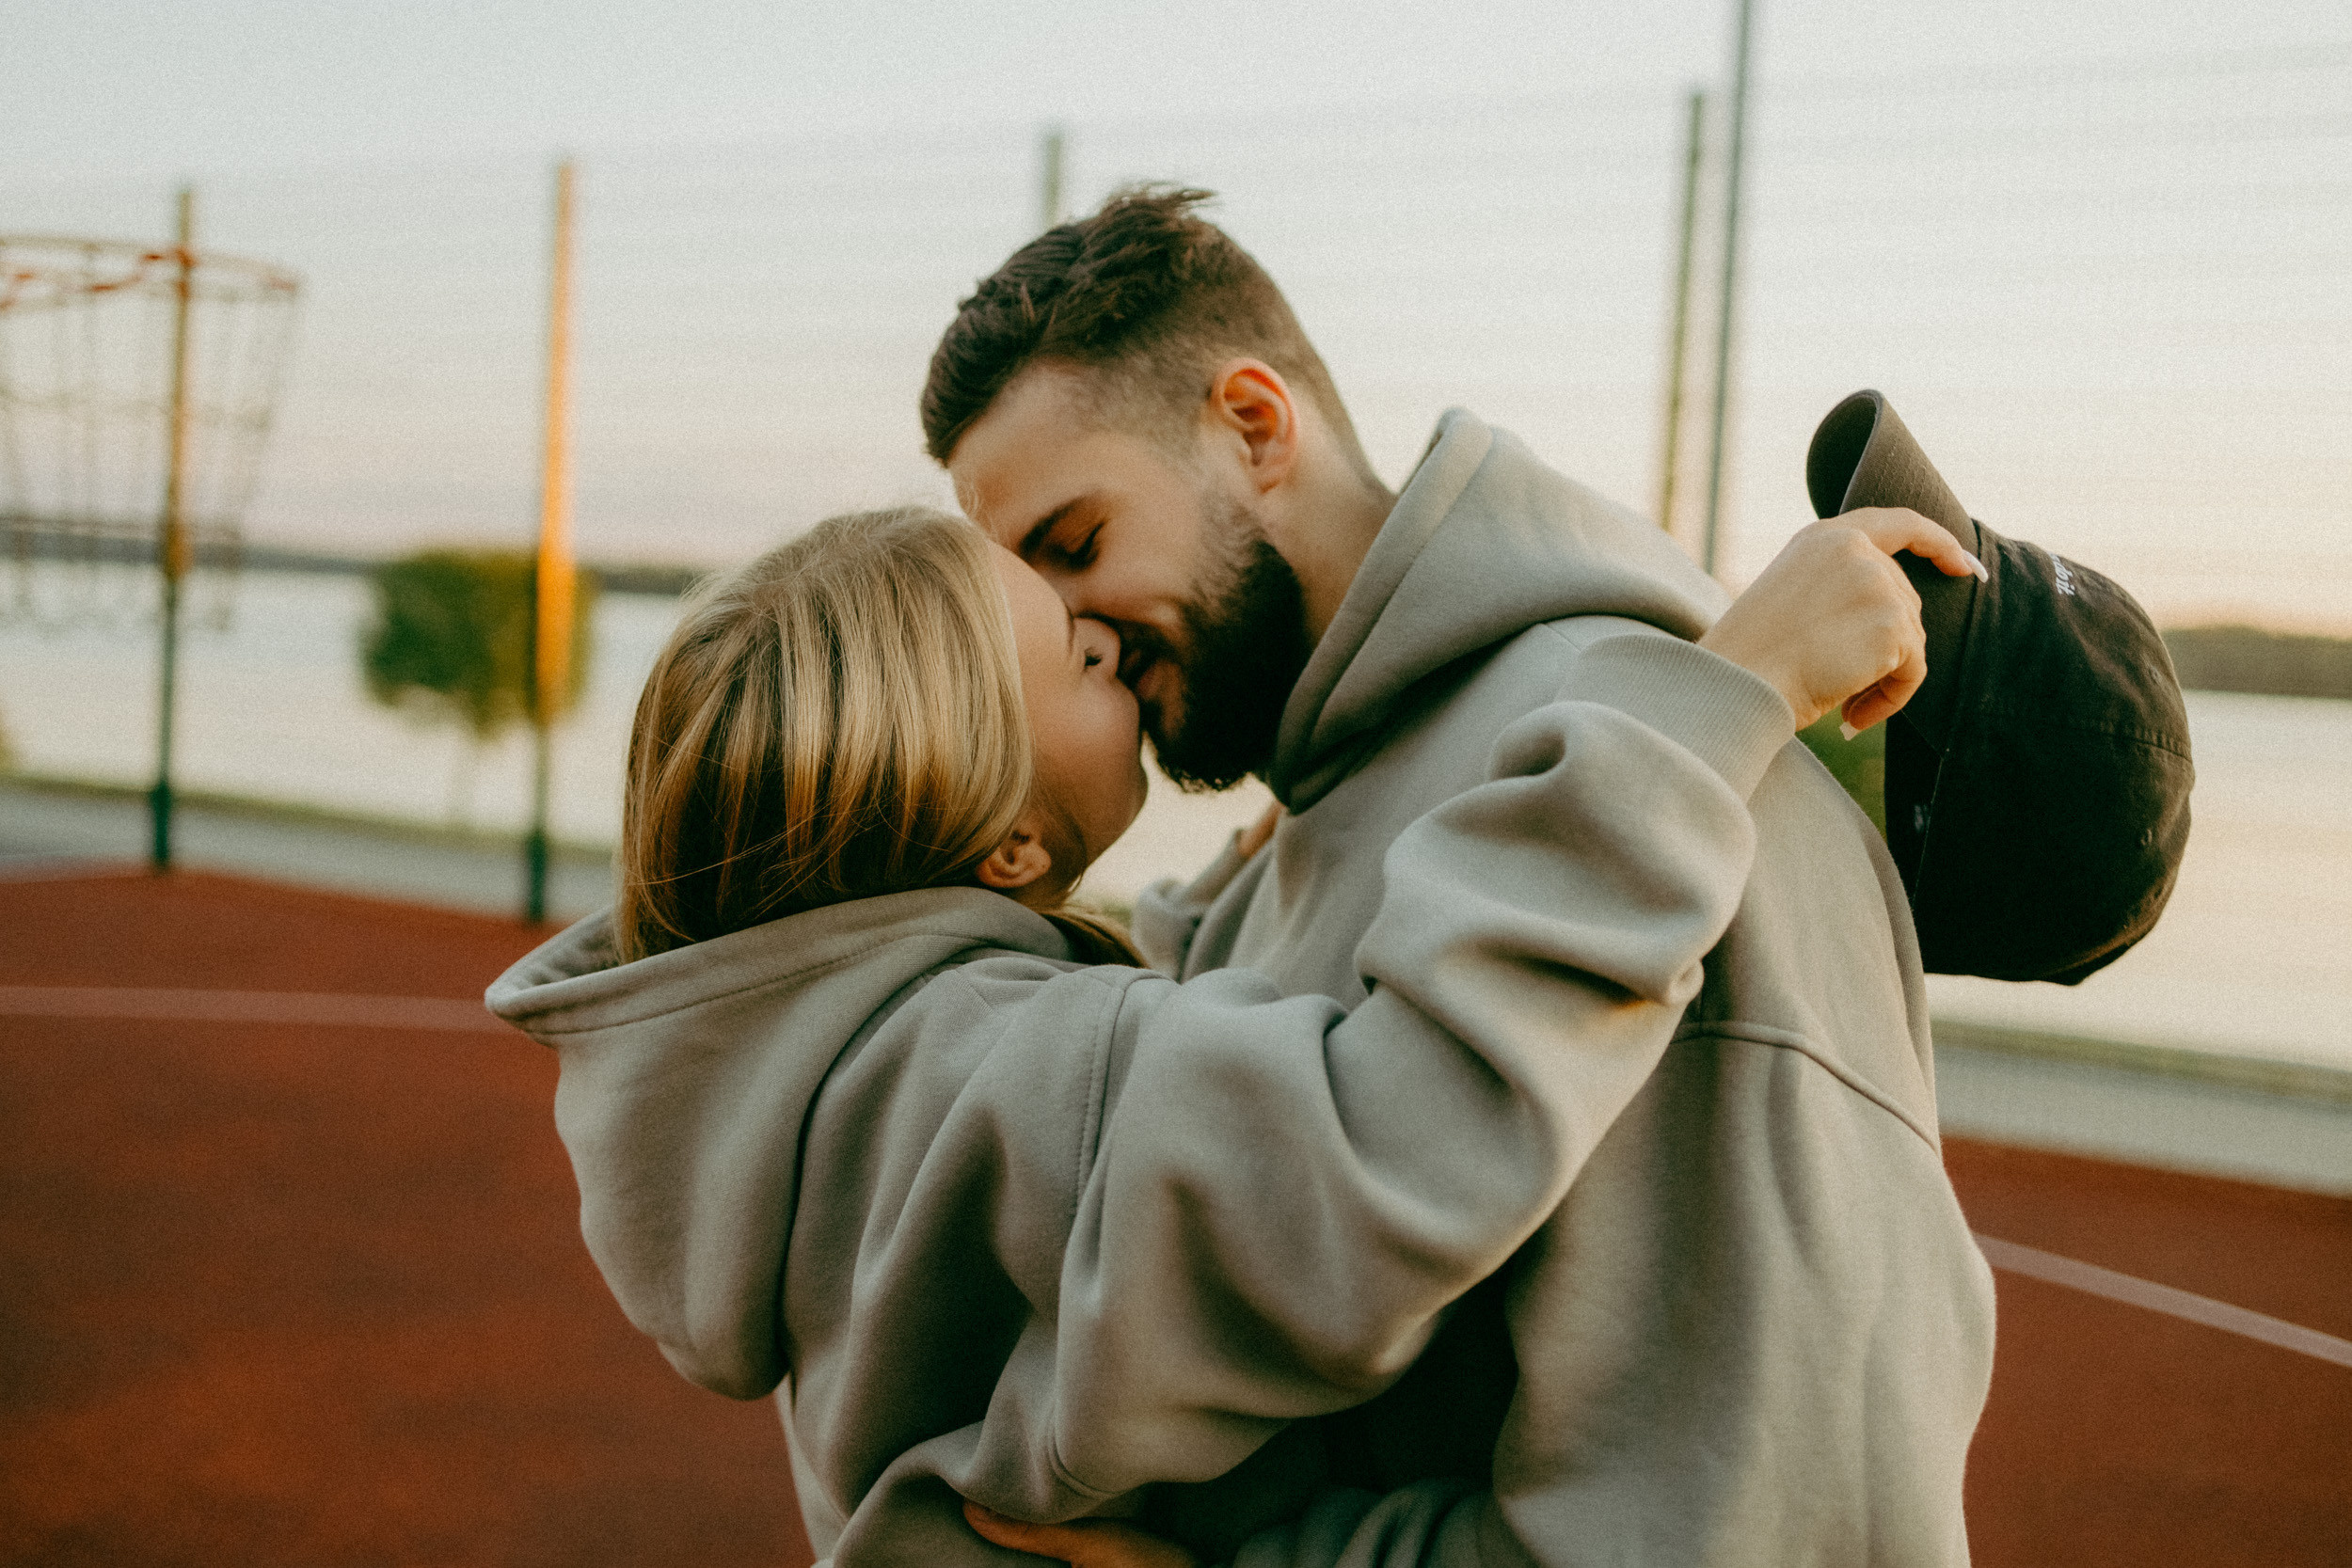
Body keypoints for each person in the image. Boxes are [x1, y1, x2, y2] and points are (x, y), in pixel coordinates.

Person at [485, 500, 1975, 1566]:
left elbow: (1105, 1119)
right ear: (1005, 846)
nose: (1117, 652)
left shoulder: (792, 1072)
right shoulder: (1005, 1075)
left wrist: (1270, 873)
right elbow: (1391, 1143)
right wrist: (1708, 711)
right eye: (1073, 654)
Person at [925, 187, 1998, 1566]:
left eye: (1075, 550)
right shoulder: (1293, 841)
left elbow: (1769, 1523)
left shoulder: (1674, 770)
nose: (1068, 637)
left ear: (1254, 428)